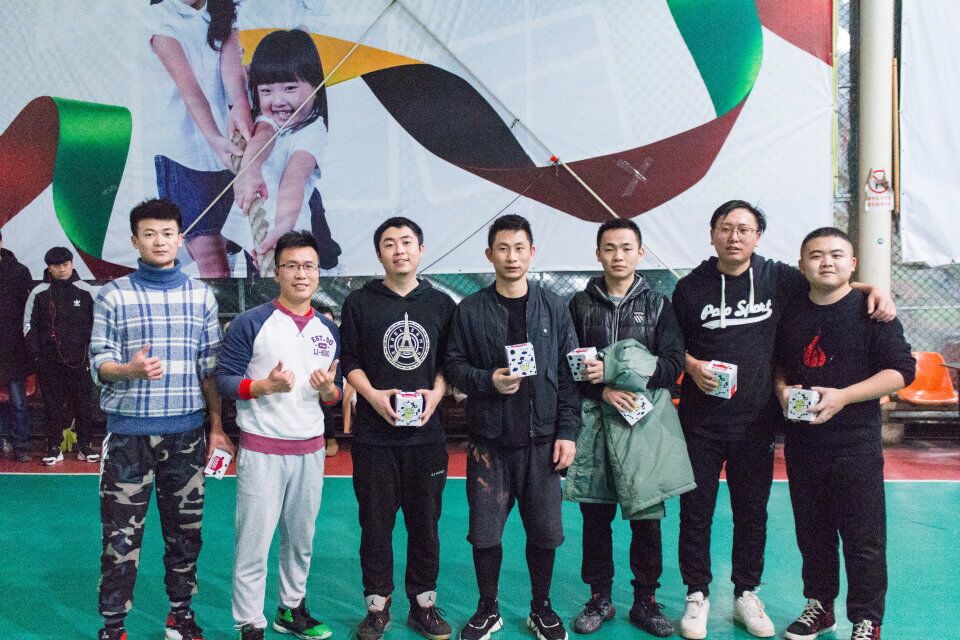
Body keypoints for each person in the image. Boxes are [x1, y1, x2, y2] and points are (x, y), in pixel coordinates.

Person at [670, 200, 896, 640]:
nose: (735, 236)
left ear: (758, 237)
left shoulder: (779, 278)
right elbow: (670, 344)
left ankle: (746, 593)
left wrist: (875, 289)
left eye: (744, 229)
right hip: (700, 424)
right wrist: (692, 366)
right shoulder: (690, 288)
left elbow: (828, 281)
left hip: (757, 423)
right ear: (712, 234)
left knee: (751, 514)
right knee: (695, 513)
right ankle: (696, 594)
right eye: (726, 228)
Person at [89, 198, 232, 640]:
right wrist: (128, 370)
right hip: (128, 438)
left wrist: (217, 428)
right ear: (135, 240)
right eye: (149, 234)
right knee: (119, 538)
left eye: (167, 233)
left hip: (186, 437)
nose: (159, 241)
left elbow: (209, 370)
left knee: (186, 534)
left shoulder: (200, 295)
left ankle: (180, 614)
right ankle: (114, 625)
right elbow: (98, 363)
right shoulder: (114, 294)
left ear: (180, 239)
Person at [445, 214, 580, 640]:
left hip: (543, 442)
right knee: (484, 534)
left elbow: (569, 373)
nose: (511, 256)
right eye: (503, 248)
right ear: (489, 255)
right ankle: (488, 609)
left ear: (532, 252)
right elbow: (453, 366)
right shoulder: (470, 310)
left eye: (519, 248)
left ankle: (541, 607)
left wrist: (568, 432)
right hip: (490, 443)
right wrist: (489, 380)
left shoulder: (554, 307)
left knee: (546, 533)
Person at [775, 228, 913, 640]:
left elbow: (901, 372)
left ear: (852, 264)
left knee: (863, 537)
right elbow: (779, 364)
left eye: (836, 254)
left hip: (856, 445)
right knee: (812, 533)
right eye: (816, 255)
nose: (827, 262)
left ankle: (867, 618)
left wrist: (844, 397)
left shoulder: (873, 312)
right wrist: (781, 390)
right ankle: (820, 606)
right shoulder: (790, 310)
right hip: (803, 445)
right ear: (802, 266)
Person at [217, 230, 341, 640]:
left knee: (301, 540)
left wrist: (330, 391)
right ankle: (249, 623)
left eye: (308, 266)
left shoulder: (328, 330)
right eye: (291, 266)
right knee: (253, 543)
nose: (301, 274)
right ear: (277, 271)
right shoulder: (251, 322)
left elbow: (334, 394)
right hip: (262, 451)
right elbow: (225, 380)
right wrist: (263, 387)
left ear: (318, 273)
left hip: (310, 450)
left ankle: (291, 609)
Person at [565, 218, 684, 637]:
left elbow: (671, 366)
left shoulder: (660, 305)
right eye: (610, 248)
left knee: (646, 518)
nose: (618, 255)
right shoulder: (579, 305)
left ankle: (645, 601)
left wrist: (617, 373)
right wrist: (603, 392)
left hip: (642, 424)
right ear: (598, 253)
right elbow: (568, 366)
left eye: (626, 247)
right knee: (595, 516)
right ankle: (599, 597)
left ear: (640, 253)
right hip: (595, 423)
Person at [340, 217, 456, 640]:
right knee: (375, 524)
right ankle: (377, 607)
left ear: (421, 249)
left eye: (407, 242)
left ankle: (423, 605)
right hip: (374, 439)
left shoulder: (441, 304)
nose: (399, 250)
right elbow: (349, 361)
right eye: (389, 244)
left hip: (427, 437)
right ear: (379, 254)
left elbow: (449, 363)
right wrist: (372, 396)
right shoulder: (359, 302)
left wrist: (436, 395)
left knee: (425, 524)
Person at [146, 0, 253, 276]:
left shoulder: (222, 12)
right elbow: (189, 89)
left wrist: (240, 107)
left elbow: (232, 73)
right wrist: (215, 139)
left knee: (236, 248)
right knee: (213, 262)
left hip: (227, 151)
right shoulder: (157, 17)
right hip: (184, 155)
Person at [230, 28, 333, 271]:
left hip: (290, 235)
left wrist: (282, 230)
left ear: (315, 86)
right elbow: (263, 137)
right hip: (254, 234)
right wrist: (251, 168)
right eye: (266, 91)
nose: (278, 101)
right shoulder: (269, 120)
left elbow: (294, 177)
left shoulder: (313, 130)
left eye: (289, 88)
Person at [24, 246, 100, 464]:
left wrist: (91, 352)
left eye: (66, 264)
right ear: (49, 267)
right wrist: (37, 355)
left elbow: (98, 324)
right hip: (49, 363)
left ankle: (85, 446)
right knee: (52, 405)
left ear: (72, 264)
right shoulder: (38, 293)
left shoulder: (87, 291)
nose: (62, 269)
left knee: (84, 403)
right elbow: (28, 325)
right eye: (57, 266)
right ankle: (53, 447)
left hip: (80, 361)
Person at [0, 228, 34, 463]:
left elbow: (28, 313)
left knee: (18, 402)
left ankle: (20, 446)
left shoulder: (19, 271)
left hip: (13, 349)